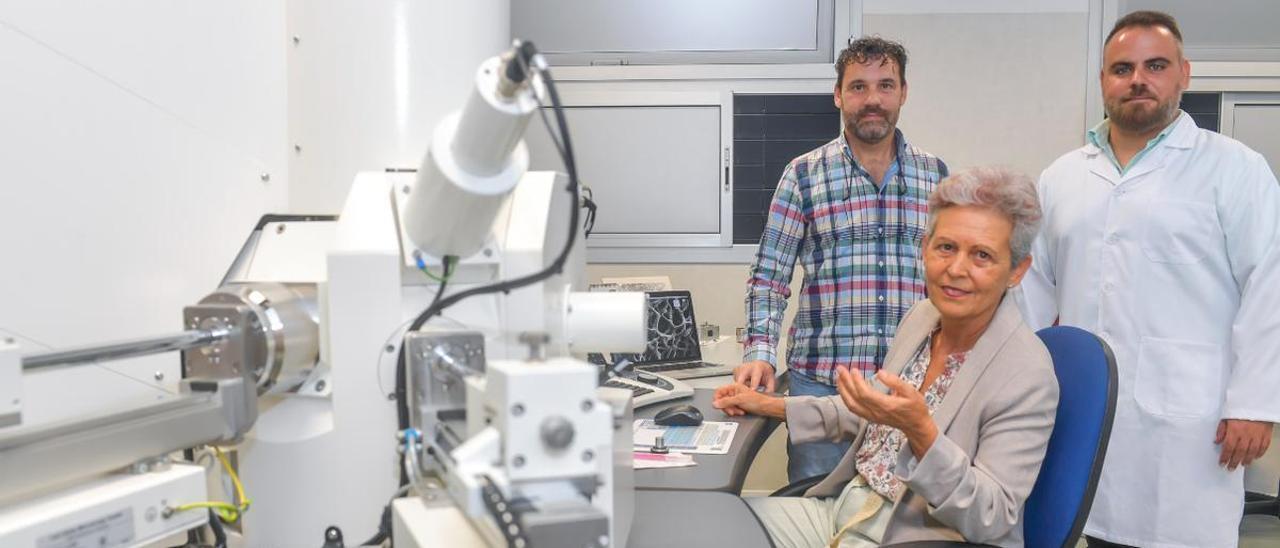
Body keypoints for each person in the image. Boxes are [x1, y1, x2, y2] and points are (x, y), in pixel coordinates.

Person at [1017, 10, 1280, 548]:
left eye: (1154, 65)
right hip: (1083, 416)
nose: (1138, 79)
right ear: (1104, 82)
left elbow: (1269, 285)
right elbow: (1031, 291)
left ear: (1183, 73)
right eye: (1122, 68)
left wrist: (1254, 404)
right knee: (1089, 527)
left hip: (1193, 422)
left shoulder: (1235, 169)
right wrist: (1018, 394)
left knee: (1184, 533)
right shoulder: (1063, 175)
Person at [718, 167, 1057, 546]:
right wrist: (771, 405)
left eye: (981, 255)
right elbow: (871, 411)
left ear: (1016, 271)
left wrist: (923, 434)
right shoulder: (923, 316)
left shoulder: (1027, 373)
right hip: (843, 506)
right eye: (946, 247)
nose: (956, 269)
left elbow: (992, 516)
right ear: (925, 248)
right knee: (717, 525)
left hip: (914, 534)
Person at [738, 36, 949, 483]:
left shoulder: (936, 176)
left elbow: (946, 284)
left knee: (892, 521)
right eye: (858, 87)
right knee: (818, 515)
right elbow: (769, 277)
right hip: (820, 387)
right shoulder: (802, 175)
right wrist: (760, 352)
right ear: (838, 95)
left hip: (904, 392)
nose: (872, 100)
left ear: (903, 93)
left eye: (885, 86)